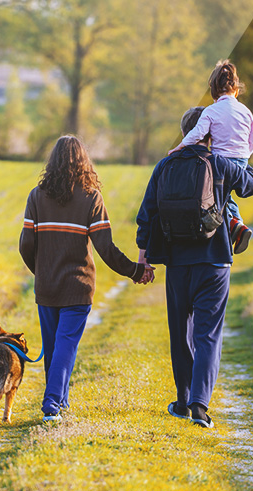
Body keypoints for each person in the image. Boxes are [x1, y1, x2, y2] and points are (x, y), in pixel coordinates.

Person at [139, 106, 253, 429]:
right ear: (210, 134)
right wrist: (238, 155)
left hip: (177, 264)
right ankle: (199, 406)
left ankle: (182, 401)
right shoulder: (219, 164)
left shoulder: (164, 166)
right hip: (215, 262)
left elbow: (147, 214)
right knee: (208, 333)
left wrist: (144, 256)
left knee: (180, 333)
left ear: (185, 133)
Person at [19, 136, 153, 421]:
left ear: (52, 162)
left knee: (55, 347)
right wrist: (136, 270)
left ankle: (59, 403)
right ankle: (53, 405)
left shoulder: (36, 196)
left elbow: (25, 245)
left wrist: (40, 272)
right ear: (83, 162)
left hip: (47, 287)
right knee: (64, 346)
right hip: (78, 288)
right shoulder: (91, 197)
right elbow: (106, 248)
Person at [175, 60, 253, 254]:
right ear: (236, 90)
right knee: (227, 196)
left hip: (220, 162)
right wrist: (245, 156)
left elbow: (198, 133)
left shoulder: (211, 111)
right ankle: (237, 226)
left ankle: (234, 226)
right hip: (242, 161)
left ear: (213, 92)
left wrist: (180, 145)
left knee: (215, 196)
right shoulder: (246, 112)